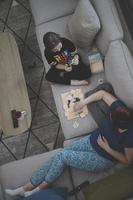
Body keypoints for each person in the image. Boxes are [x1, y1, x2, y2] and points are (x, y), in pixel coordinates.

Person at [5, 90, 133, 197]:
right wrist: (83, 102)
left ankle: (38, 189)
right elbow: (102, 94)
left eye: (110, 118)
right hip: (90, 141)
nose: (109, 116)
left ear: (117, 126)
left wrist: (107, 148)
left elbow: (128, 161)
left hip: (102, 158)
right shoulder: (120, 109)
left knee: (63, 156)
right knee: (60, 154)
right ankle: (27, 187)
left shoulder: (129, 136)